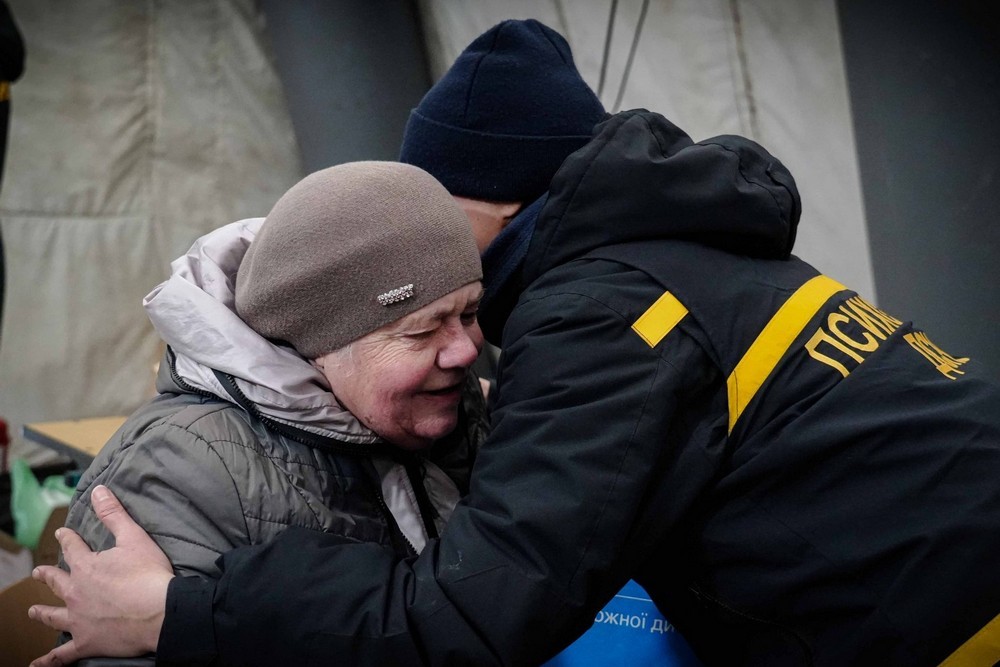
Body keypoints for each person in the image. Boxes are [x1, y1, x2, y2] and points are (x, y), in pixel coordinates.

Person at [31, 19, 1000, 667]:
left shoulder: (600, 313)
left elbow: (470, 614)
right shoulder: (686, 253)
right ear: (327, 338)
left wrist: (188, 613)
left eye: (444, 227)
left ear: (497, 204)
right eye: (422, 322)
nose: (466, 345)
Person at [38, 160, 489, 664]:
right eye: (422, 332)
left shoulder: (455, 404)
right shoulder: (184, 467)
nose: (465, 351)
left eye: (469, 314)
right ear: (318, 348)